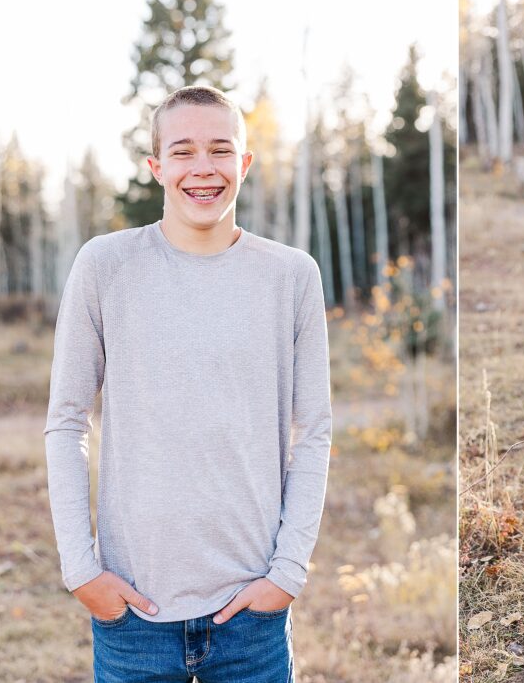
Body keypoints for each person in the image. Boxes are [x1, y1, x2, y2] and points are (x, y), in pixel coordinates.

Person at [44, 85, 331, 681]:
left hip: (251, 617)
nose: (203, 168)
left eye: (221, 150)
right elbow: (68, 419)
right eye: (183, 151)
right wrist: (80, 570)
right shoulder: (105, 266)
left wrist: (287, 574)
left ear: (244, 164)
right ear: (156, 167)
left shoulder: (291, 277)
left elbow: (315, 431)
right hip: (133, 617)